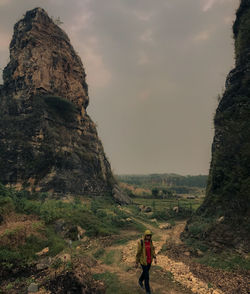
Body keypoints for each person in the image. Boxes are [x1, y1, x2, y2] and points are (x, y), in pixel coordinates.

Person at [135, 229, 157, 294]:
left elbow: (152, 250)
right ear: (145, 235)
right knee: (147, 276)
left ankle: (140, 280)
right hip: (143, 261)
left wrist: (155, 258)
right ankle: (148, 291)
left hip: (149, 261)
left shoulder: (150, 242)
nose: (148, 237)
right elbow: (138, 253)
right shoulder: (141, 242)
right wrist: (136, 262)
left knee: (145, 272)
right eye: (147, 236)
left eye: (149, 236)